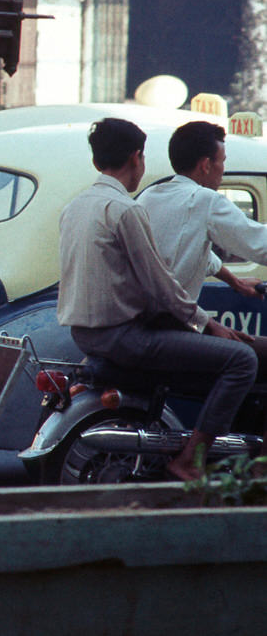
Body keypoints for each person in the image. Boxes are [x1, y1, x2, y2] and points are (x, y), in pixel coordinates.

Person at [58, 117, 257, 481]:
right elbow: (160, 283)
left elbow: (174, 251)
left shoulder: (82, 206)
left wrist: (229, 277)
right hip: (126, 335)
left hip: (85, 334)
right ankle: (190, 460)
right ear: (137, 158)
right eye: (222, 162)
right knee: (243, 359)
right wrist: (208, 323)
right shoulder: (128, 209)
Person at [138, 120, 267, 315]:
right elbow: (259, 244)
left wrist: (236, 282)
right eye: (222, 161)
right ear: (206, 165)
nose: (223, 169)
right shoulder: (205, 200)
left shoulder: (150, 195)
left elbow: (194, 250)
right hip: (170, 324)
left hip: (142, 320)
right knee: (243, 347)